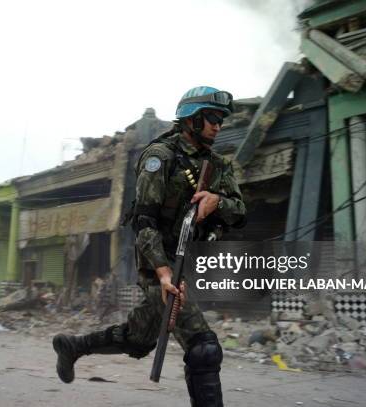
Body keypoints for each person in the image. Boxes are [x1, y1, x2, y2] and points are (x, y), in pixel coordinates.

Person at [53, 86, 247, 407]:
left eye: (221, 120)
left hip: (192, 261)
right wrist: (162, 272)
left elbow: (240, 212)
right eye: (212, 118)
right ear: (191, 119)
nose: (218, 125)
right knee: (204, 348)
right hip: (158, 263)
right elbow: (144, 223)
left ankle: (73, 347)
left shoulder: (217, 165)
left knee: (138, 337)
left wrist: (218, 201)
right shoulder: (161, 157)